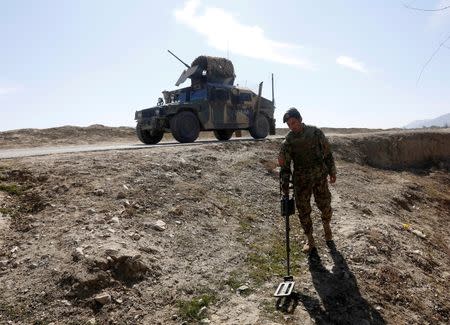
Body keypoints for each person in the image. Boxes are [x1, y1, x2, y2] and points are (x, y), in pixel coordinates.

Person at [278, 107, 336, 253]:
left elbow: (327, 153)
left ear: (300, 119)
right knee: (303, 211)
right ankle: (310, 239)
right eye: (289, 124)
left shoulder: (315, 132)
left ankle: (327, 228)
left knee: (325, 205)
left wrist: (332, 171)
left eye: (294, 122)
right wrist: (284, 184)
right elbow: (285, 166)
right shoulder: (288, 141)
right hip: (301, 182)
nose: (292, 126)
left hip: (319, 178)